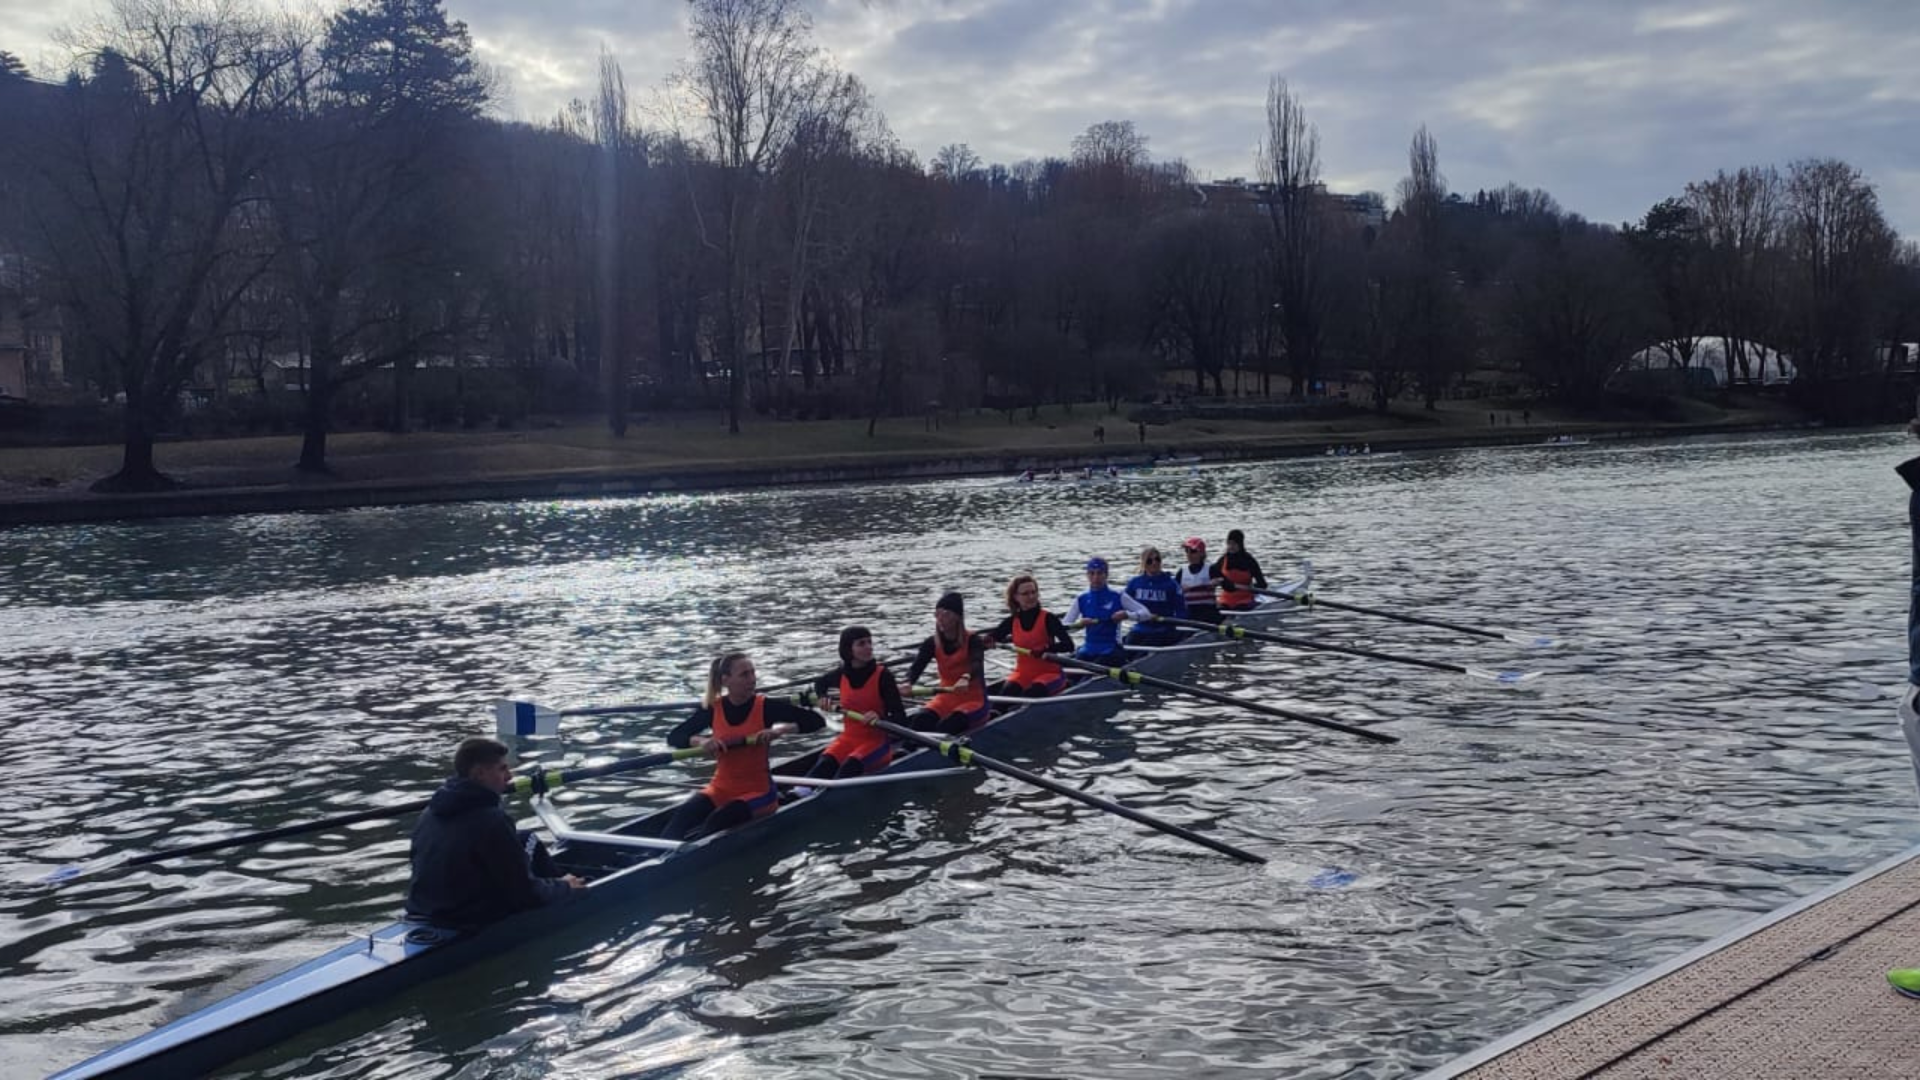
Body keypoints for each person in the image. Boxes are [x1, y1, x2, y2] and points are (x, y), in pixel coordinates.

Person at [404, 737, 585, 928]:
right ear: (480, 773)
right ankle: (566, 889)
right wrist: (564, 888)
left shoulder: (430, 811)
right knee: (531, 838)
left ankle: (555, 882)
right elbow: (525, 895)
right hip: (466, 919)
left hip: (422, 908)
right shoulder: (491, 820)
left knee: (523, 838)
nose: (509, 776)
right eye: (502, 769)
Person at [663, 652, 827, 840]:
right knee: (684, 815)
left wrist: (779, 731)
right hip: (720, 787)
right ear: (726, 681)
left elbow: (816, 721)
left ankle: (681, 857)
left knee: (718, 820)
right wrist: (701, 741)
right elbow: (675, 737)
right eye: (744, 675)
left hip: (759, 793)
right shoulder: (712, 709)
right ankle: (650, 858)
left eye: (752, 673)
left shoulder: (765, 706)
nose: (752, 679)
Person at [804, 626, 908, 782]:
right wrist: (822, 697)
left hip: (876, 743)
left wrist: (880, 718)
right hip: (848, 739)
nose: (869, 647)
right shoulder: (841, 673)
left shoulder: (883, 676)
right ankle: (799, 793)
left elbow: (901, 718)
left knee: (849, 767)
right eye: (861, 643)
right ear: (848, 650)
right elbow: (820, 683)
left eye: (869, 642)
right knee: (824, 764)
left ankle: (823, 799)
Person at [905, 591, 993, 734]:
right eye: (937, 614)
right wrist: (907, 682)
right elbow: (917, 667)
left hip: (974, 701)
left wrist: (965, 678)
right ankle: (908, 751)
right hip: (945, 698)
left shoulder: (973, 641)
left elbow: (976, 664)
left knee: (946, 727)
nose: (940, 618)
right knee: (919, 721)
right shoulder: (931, 643)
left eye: (945, 614)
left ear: (957, 617)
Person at [983, 573, 1075, 697]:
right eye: (1025, 594)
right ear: (1016, 597)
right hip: (1023, 673)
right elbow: (993, 636)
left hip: (1050, 673)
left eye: (1033, 592)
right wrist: (987, 640)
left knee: (1031, 693)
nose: (1031, 596)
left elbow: (1069, 645)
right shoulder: (1011, 621)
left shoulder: (1049, 618)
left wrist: (1046, 649)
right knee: (1004, 697)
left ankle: (1066, 684)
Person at [1059, 556, 1154, 666]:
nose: (1095, 578)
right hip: (1088, 649)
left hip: (1111, 648)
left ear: (1106, 575)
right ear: (1087, 575)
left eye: (1099, 573)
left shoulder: (1118, 596)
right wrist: (1079, 624)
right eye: (1092, 573)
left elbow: (1146, 614)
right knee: (1071, 675)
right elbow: (1064, 628)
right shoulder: (1081, 598)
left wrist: (1127, 615)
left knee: (1091, 672)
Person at [1123, 546, 1188, 648]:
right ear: (1144, 563)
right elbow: (1124, 605)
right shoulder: (1135, 583)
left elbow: (1182, 611)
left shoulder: (1171, 584)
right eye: (1149, 561)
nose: (1154, 563)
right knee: (1127, 646)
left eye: (1157, 559)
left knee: (1144, 650)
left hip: (1163, 629)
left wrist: (1171, 622)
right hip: (1140, 627)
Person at [1212, 528, 1269, 613]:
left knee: (1239, 609)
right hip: (1225, 600)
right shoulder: (1223, 560)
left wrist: (1251, 588)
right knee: (1219, 610)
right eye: (1229, 543)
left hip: (1245, 600)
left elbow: (1263, 584)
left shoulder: (1249, 561)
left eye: (1234, 544)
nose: (1231, 547)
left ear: (1240, 544)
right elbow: (1212, 577)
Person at [1176, 537, 1223, 624]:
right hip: (1189, 613)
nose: (1189, 555)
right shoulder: (1182, 572)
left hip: (1208, 613)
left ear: (1201, 553)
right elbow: (1173, 593)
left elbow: (1229, 586)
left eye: (1193, 552)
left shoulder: (1211, 569)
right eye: (1187, 551)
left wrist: (1219, 581)